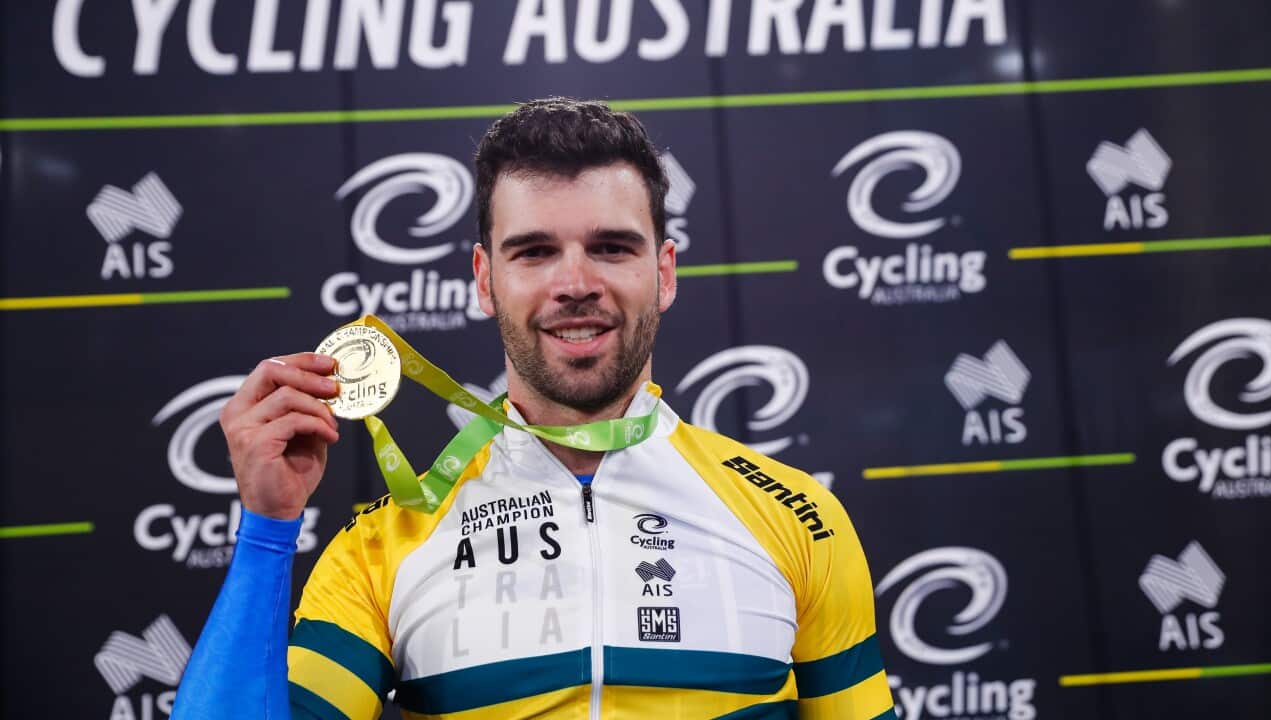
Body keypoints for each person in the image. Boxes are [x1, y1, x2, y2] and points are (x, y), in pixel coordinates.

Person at [172, 98, 897, 720]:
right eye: (534, 252)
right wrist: (267, 531)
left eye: (611, 248)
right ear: (486, 279)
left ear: (664, 272)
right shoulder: (385, 546)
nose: (574, 283)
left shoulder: (799, 517)